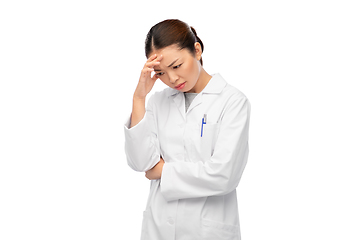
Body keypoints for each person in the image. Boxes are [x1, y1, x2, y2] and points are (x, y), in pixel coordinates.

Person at [124, 19, 251, 240]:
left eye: (176, 66)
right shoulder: (157, 102)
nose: (172, 79)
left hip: (208, 231)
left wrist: (163, 171)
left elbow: (224, 175)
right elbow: (140, 163)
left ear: (197, 50)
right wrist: (139, 97)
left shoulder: (232, 101)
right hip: (159, 227)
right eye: (161, 73)